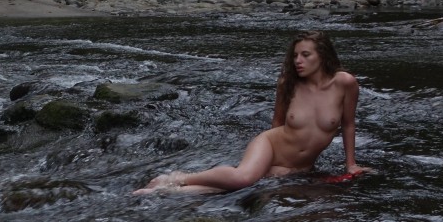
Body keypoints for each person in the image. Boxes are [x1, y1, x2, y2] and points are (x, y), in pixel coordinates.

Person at [134, 30, 363, 195]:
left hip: (300, 165)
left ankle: (162, 191)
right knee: (244, 177)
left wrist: (350, 164)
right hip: (271, 145)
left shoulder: (344, 83)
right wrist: (266, 161)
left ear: (322, 56)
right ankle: (178, 177)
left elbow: (348, 124)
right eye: (295, 56)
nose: (298, 61)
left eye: (305, 55)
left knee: (240, 186)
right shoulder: (289, 83)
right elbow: (277, 122)